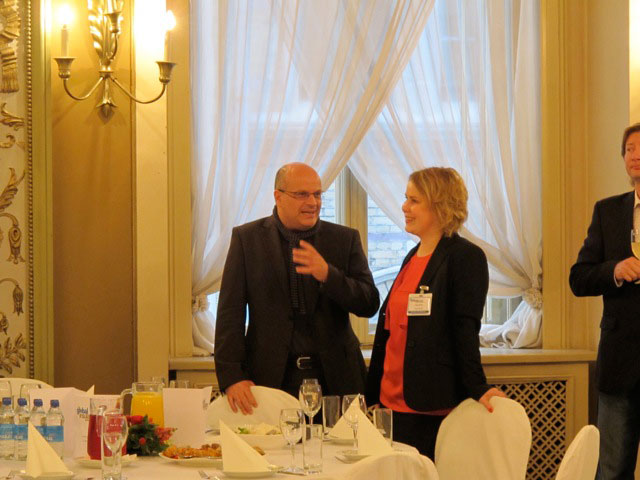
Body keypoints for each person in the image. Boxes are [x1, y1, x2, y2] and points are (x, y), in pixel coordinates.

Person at [214, 162, 380, 415]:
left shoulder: (344, 239)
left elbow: (369, 303)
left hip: (337, 380)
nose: (313, 202)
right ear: (278, 196)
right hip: (271, 380)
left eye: (317, 194)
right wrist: (232, 376)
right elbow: (230, 313)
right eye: (302, 194)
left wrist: (329, 275)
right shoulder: (247, 239)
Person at [365, 167, 505, 459]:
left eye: (414, 200)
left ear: (440, 206)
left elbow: (464, 329)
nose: (404, 207)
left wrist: (477, 387)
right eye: (406, 198)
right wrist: (373, 394)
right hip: (390, 404)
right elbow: (389, 331)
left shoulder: (465, 257)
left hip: (430, 405)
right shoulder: (411, 257)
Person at [569, 123, 640, 480]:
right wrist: (615, 270)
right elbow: (578, 278)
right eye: (629, 149)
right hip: (619, 362)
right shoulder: (607, 211)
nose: (635, 155)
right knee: (611, 470)